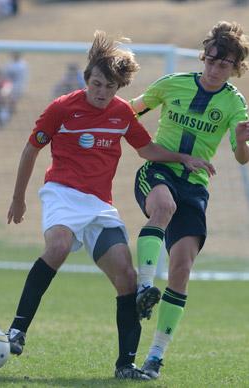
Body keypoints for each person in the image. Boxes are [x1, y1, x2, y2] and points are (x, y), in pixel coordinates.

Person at [6, 30, 214, 381]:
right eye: (98, 84)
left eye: (110, 87)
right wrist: (18, 198)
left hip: (100, 205)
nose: (102, 93)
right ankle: (17, 330)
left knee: (127, 277)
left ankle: (125, 365)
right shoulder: (62, 108)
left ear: (118, 88)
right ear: (87, 78)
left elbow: (146, 149)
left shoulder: (121, 113)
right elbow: (31, 149)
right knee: (56, 246)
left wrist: (183, 157)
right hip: (62, 193)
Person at [130, 20, 249, 379]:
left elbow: (241, 157)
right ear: (204, 57)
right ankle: (145, 287)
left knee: (181, 270)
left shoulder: (234, 103)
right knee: (163, 206)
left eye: (223, 65)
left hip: (195, 188)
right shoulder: (172, 84)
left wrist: (242, 140)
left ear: (235, 68)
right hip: (158, 172)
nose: (214, 69)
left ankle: (155, 357)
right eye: (211, 61)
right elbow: (129, 112)